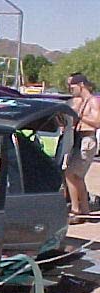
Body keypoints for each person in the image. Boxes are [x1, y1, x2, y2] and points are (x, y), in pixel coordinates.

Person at [66, 73, 100, 223]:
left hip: (87, 139)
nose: (71, 90)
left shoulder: (93, 101)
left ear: (81, 85)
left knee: (70, 174)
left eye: (72, 87)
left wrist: (80, 116)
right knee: (77, 177)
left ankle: (76, 209)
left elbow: (97, 122)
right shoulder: (82, 101)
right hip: (79, 138)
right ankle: (85, 210)